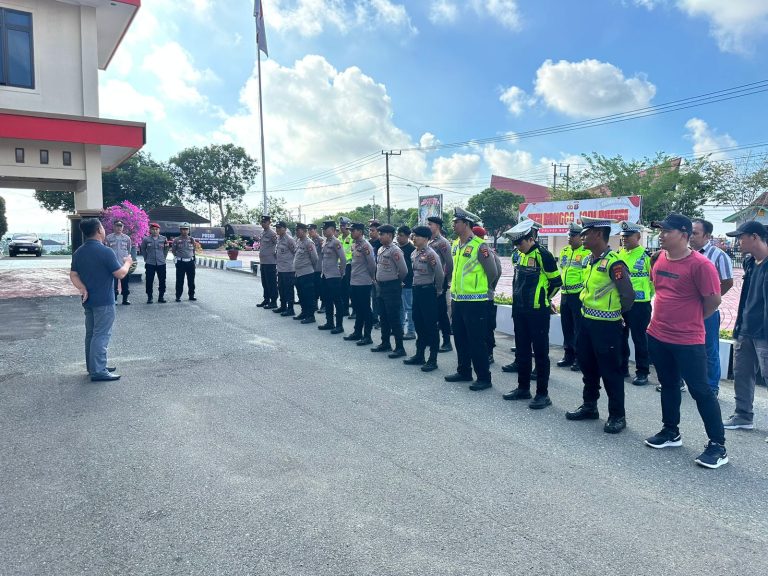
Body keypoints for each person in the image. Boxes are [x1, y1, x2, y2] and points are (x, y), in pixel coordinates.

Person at [643, 214, 728, 469]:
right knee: (669, 384)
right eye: (660, 230)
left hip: (688, 340)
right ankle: (671, 431)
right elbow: (659, 291)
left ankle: (718, 445)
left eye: (666, 231)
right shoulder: (658, 258)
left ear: (683, 234)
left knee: (700, 390)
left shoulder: (701, 265)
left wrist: (690, 320)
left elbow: (713, 301)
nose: (660, 235)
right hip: (658, 335)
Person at [565, 218, 635, 433]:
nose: (582, 237)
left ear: (598, 234)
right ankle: (589, 406)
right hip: (586, 323)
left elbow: (628, 295)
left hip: (607, 327)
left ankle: (617, 415)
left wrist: (615, 313)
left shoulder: (615, 263)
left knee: (611, 372)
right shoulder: (589, 260)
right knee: (588, 367)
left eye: (586, 234)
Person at [501, 219, 561, 409]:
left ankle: (542, 394)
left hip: (537, 312)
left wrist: (544, 299)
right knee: (522, 351)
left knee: (541, 354)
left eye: (520, 242)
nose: (518, 246)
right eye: (515, 243)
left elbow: (556, 282)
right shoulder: (518, 255)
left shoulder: (543, 255)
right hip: (519, 310)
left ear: (530, 239)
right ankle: (523, 389)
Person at [69, 218, 132, 382]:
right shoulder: (105, 251)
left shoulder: (79, 252)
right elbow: (120, 274)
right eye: (103, 227)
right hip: (104, 300)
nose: (104, 230)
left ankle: (94, 366)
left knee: (91, 334)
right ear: (98, 230)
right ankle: (98, 370)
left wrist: (82, 288)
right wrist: (127, 263)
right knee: (101, 335)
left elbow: (73, 274)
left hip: (88, 300)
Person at [444, 208, 499, 391]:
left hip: (475, 302)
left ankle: (484, 377)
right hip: (458, 300)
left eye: (456, 222)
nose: (453, 225)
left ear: (466, 224)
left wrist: (479, 287)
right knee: (460, 338)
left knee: (476, 341)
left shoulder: (480, 246)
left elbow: (493, 272)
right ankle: (464, 371)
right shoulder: (455, 244)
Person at [722, 221, 768, 435]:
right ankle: (743, 416)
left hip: (764, 332)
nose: (738, 242)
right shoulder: (750, 262)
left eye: (741, 237)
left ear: (755, 237)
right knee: (742, 374)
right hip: (745, 328)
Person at [689, 218, 734, 395]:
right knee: (682, 345)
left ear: (707, 236)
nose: (691, 236)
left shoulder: (718, 256)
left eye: (695, 233)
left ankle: (711, 387)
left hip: (707, 312)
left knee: (709, 349)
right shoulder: (683, 253)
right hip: (685, 310)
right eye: (690, 232)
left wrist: (710, 301)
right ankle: (681, 381)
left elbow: (727, 282)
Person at [617, 221, 653, 385]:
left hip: (640, 304)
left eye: (628, 236)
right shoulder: (619, 255)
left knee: (639, 338)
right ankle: (622, 368)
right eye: (623, 236)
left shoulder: (646, 257)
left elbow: (653, 281)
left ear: (638, 236)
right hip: (621, 303)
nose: (624, 239)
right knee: (621, 337)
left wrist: (647, 295)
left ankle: (642, 372)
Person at [404, 226, 444, 372]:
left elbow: (439, 274)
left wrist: (438, 290)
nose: (414, 238)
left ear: (426, 238)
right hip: (417, 291)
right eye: (413, 236)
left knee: (430, 325)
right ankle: (419, 354)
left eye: (417, 236)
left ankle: (433, 359)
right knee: (418, 322)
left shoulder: (431, 254)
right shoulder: (414, 253)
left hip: (428, 291)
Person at [557, 222, 591, 371]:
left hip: (578, 295)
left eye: (573, 235)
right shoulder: (564, 251)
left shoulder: (586, 253)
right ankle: (568, 354)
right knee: (566, 326)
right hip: (564, 294)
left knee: (579, 328)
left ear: (580, 236)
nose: (569, 238)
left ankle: (579, 357)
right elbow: (562, 270)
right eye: (569, 235)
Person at [371, 224, 408, 358]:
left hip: (392, 287)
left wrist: (396, 281)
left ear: (390, 235)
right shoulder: (381, 249)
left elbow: (404, 270)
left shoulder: (395, 250)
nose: (379, 236)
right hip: (381, 287)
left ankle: (400, 347)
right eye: (379, 234)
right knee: (383, 316)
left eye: (382, 234)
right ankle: (385, 343)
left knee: (393, 317)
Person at [472, 226, 502, 365]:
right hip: (473, 296)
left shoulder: (485, 251)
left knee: (487, 327)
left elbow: (496, 272)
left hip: (485, 296)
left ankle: (489, 353)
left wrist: (489, 286)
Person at [345, 222, 376, 345]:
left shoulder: (366, 246)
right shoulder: (354, 244)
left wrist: (371, 277)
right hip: (354, 281)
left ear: (360, 231)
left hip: (363, 282)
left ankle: (367, 336)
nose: (351, 233)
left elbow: (372, 264)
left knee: (365, 309)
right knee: (357, 308)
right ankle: (357, 332)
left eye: (353, 231)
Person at [428, 216, 454, 352]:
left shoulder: (442, 242)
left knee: (442, 312)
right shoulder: (428, 241)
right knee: (431, 311)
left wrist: (447, 280)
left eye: (430, 224)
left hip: (439, 280)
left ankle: (447, 341)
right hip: (428, 280)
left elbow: (449, 263)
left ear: (437, 226)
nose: (428, 226)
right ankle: (432, 339)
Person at [318, 221, 347, 334]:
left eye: (326, 229)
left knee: (337, 301)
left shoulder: (336, 242)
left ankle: (339, 325)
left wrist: (341, 273)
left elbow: (343, 259)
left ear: (333, 230)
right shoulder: (325, 242)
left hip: (334, 276)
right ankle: (329, 322)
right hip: (325, 275)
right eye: (323, 229)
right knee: (327, 299)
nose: (324, 231)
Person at [292, 223, 319, 323]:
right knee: (301, 294)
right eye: (296, 230)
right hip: (298, 273)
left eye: (298, 230)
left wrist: (310, 268)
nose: (296, 232)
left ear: (304, 231)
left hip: (307, 273)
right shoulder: (299, 241)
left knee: (308, 295)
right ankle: (304, 312)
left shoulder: (309, 243)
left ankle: (310, 316)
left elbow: (315, 258)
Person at [105, 220, 132, 305]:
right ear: (114, 227)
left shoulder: (127, 238)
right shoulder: (109, 238)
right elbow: (106, 250)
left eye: (121, 226)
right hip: (113, 264)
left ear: (123, 227)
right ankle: (115, 299)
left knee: (125, 283)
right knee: (114, 283)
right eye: (117, 226)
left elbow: (129, 250)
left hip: (123, 265)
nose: (119, 228)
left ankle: (125, 299)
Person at [397, 225, 416, 340]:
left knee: (409, 308)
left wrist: (404, 280)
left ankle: (411, 331)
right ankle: (399, 329)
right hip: (398, 282)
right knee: (400, 307)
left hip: (408, 283)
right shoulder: (396, 248)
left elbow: (411, 269)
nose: (398, 237)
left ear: (408, 236)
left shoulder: (412, 249)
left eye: (401, 235)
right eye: (397, 235)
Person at [141, 223, 168, 304]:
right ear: (150, 230)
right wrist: (146, 258)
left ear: (159, 230)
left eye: (156, 229)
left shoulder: (164, 239)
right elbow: (143, 249)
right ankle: (150, 297)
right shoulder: (146, 239)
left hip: (161, 263)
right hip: (150, 263)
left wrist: (163, 257)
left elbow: (166, 249)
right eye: (153, 229)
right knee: (149, 280)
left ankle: (161, 297)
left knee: (162, 280)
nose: (155, 231)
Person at [274, 221, 297, 317]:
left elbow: (295, 253)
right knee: (281, 288)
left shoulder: (289, 239)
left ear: (285, 228)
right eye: (276, 228)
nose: (277, 229)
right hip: (280, 268)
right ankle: (283, 306)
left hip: (288, 269)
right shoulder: (279, 238)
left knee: (289, 289)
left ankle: (290, 308)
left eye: (279, 228)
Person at [171, 222, 197, 302]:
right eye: (183, 229)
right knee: (179, 280)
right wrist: (179, 257)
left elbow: (194, 250)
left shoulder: (192, 239)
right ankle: (178, 296)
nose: (184, 231)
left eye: (186, 229)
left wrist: (193, 260)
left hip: (190, 262)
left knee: (191, 280)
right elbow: (173, 251)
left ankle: (191, 295)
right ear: (180, 230)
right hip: (181, 263)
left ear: (188, 230)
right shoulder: (176, 240)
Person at [257, 215, 279, 309]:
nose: (263, 224)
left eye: (265, 222)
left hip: (270, 262)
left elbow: (278, 245)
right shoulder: (263, 233)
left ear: (269, 223)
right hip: (263, 261)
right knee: (265, 282)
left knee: (271, 283)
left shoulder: (272, 234)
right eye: (262, 222)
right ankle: (266, 299)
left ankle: (273, 301)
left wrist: (276, 255)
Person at [368, 219, 382, 328]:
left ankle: (381, 319)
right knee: (373, 297)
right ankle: (374, 318)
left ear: (378, 231)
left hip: (380, 274)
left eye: (372, 230)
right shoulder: (368, 243)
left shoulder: (381, 243)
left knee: (379, 297)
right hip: (370, 273)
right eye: (369, 230)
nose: (370, 232)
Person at [308, 223, 324, 313]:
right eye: (308, 230)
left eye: (311, 230)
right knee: (314, 287)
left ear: (315, 230)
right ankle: (315, 304)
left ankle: (323, 305)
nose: (309, 232)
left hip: (319, 267)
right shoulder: (310, 240)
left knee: (320, 287)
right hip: (312, 268)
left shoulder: (320, 240)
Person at [339, 217, 353, 317]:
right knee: (342, 288)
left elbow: (351, 252)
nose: (342, 227)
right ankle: (345, 309)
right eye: (340, 225)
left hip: (349, 265)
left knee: (350, 289)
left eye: (344, 225)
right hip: (340, 265)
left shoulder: (352, 238)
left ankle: (355, 310)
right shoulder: (339, 238)